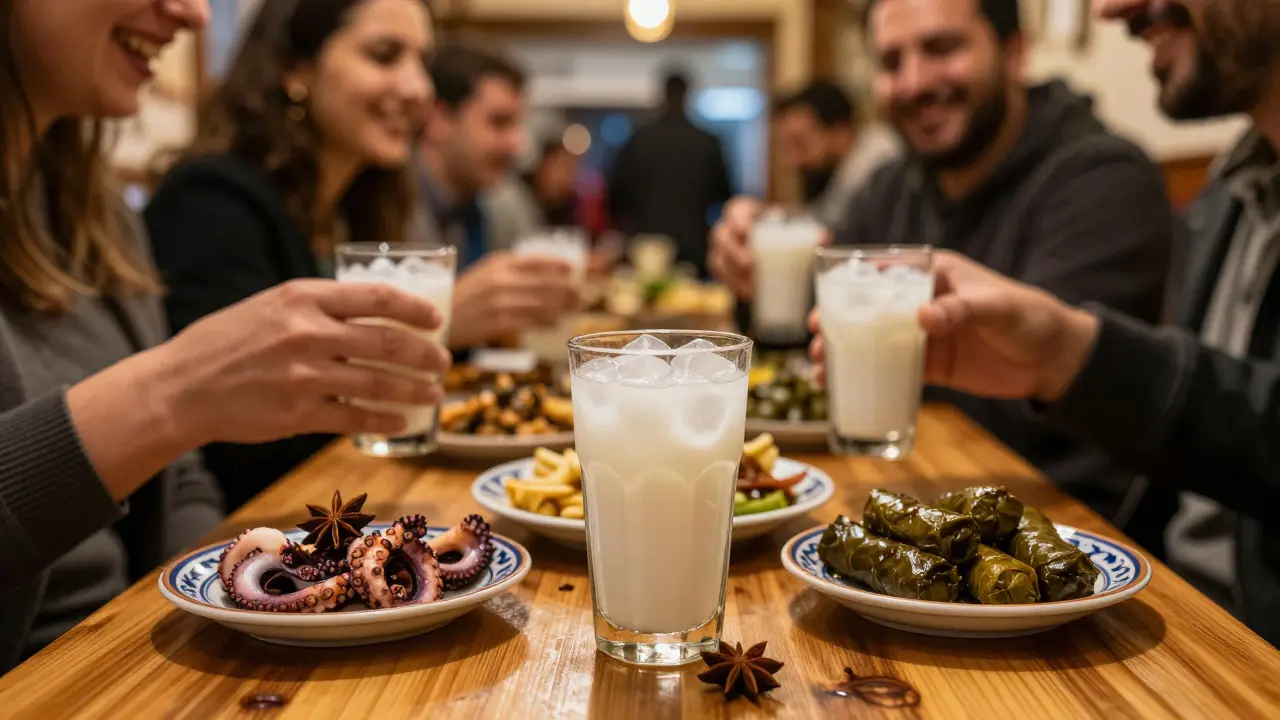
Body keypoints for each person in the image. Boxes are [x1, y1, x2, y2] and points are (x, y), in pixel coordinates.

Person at [0, 0, 450, 673]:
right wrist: (169, 395)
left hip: (134, 647)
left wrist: (232, 603)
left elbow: (180, 478)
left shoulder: (96, 215)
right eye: (385, 55)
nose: (193, 13)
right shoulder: (210, 200)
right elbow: (213, 438)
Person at [709, 0, 1179, 557]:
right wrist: (753, 275)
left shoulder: (1103, 180)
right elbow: (814, 321)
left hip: (1059, 547)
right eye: (890, 61)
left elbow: (1040, 421)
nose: (913, 83)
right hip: (903, 512)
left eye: (942, 49)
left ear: (1015, 52)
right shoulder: (893, 186)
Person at [145, 0, 439, 511]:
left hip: (339, 504)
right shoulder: (213, 201)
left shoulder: (353, 209)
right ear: (295, 68)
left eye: (423, 64)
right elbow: (234, 447)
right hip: (244, 539)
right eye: (384, 55)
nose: (419, 90)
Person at [418, 42, 579, 349]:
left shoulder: (501, 199)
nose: (516, 144)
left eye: (517, 125)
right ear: (438, 119)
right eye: (499, 122)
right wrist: (445, 320)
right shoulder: (384, 203)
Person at [609, 70, 734, 278]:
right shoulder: (707, 142)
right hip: (694, 245)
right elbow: (724, 196)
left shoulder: (638, 140)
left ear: (662, 94)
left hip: (646, 245)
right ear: (688, 95)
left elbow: (616, 198)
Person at [773, 81, 900, 232]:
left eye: (801, 143)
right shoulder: (837, 169)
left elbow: (837, 231)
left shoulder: (881, 163)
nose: (792, 160)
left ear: (840, 131)